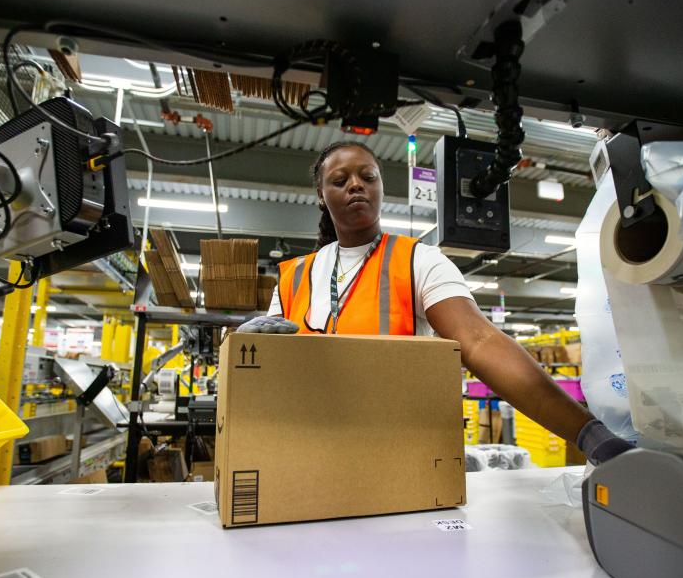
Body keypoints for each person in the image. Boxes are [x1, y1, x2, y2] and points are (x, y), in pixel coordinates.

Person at [239, 141, 632, 465]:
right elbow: (274, 372)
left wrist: (588, 433)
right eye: (339, 180)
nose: (355, 186)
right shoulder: (292, 276)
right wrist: (250, 347)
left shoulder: (418, 260)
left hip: (395, 452)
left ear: (380, 187)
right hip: (308, 452)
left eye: (367, 177)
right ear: (322, 197)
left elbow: (479, 341)